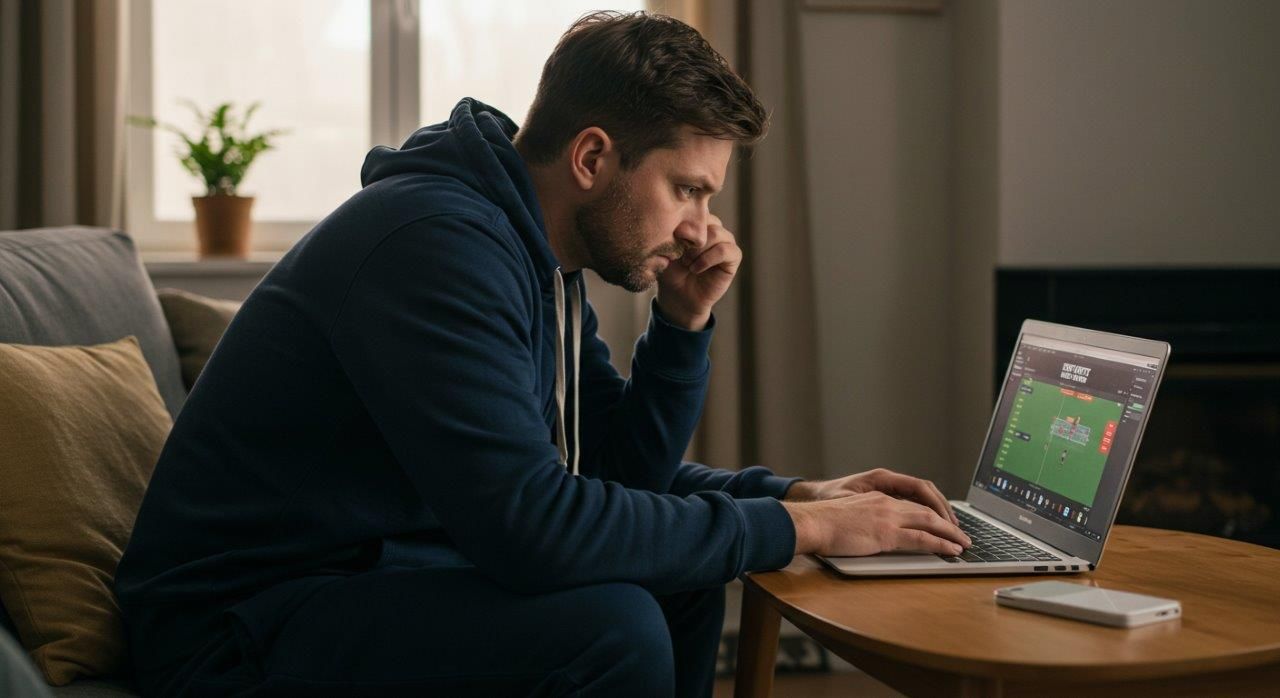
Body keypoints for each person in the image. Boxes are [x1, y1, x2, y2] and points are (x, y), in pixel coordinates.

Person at [115, 11, 969, 697]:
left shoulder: (537, 258)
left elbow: (610, 473)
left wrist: (696, 355)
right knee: (615, 628)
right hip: (235, 630)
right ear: (594, 156)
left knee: (677, 584)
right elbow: (535, 529)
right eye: (687, 189)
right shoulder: (435, 248)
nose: (701, 229)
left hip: (362, 579)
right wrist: (796, 528)